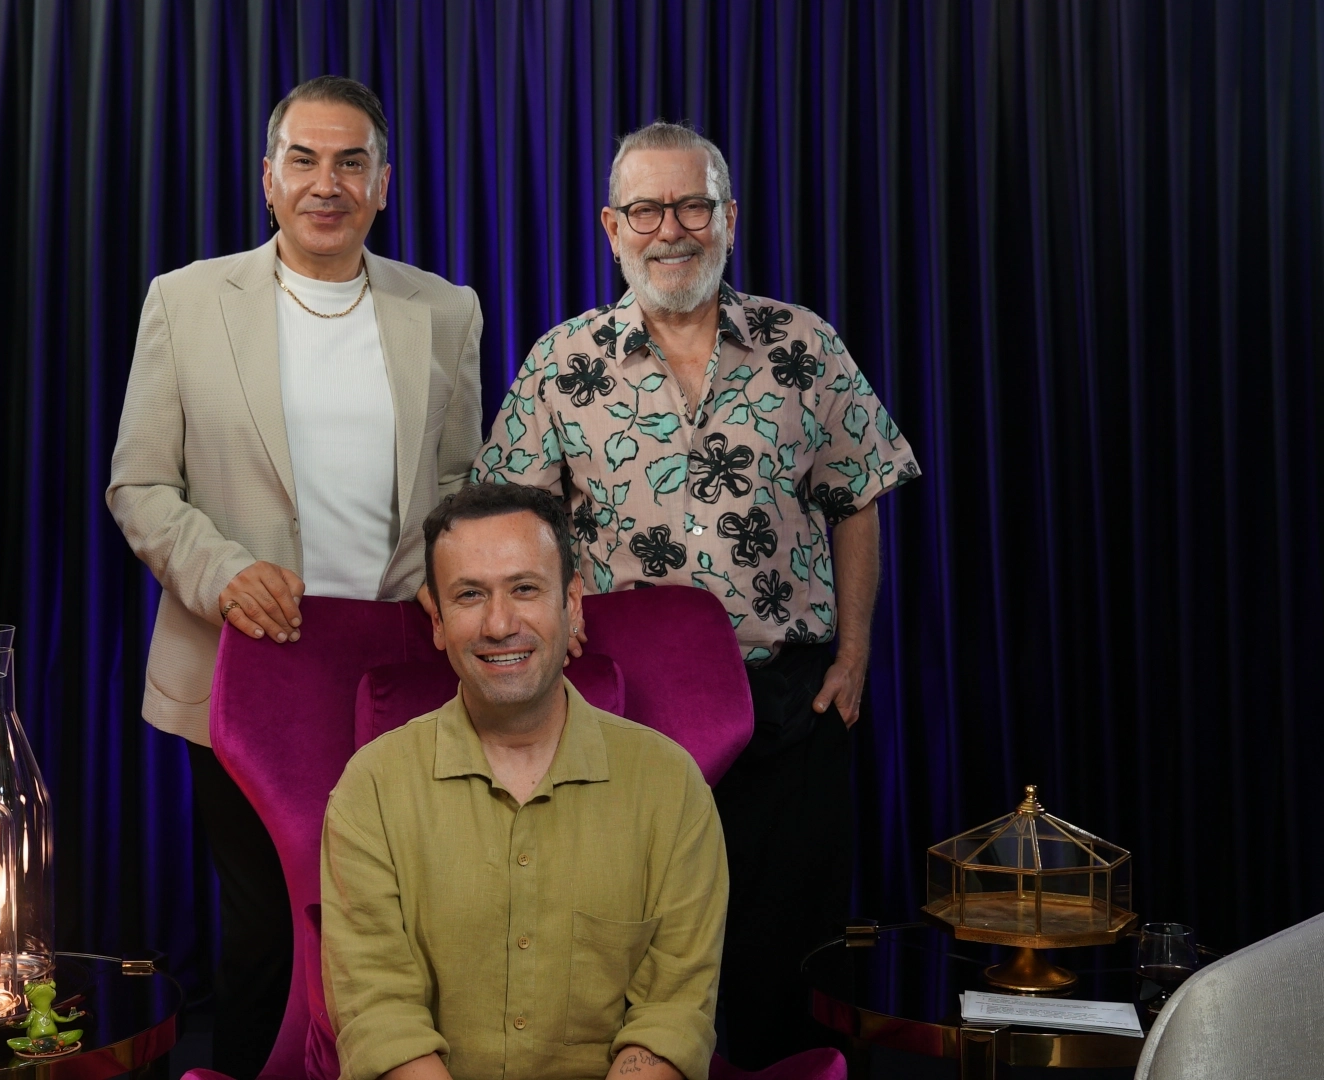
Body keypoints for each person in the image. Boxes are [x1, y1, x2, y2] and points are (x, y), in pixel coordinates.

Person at [471, 122, 920, 1065]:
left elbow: (858, 497)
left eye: (691, 206)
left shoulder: (804, 344)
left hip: (788, 705)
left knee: (782, 960)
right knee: (629, 953)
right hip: (625, 707)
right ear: (611, 227)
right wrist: (554, 606)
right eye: (645, 210)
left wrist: (853, 655)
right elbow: (508, 520)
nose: (669, 229)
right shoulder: (562, 361)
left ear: (729, 219)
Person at [106, 75, 482, 1076]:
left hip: (400, 671)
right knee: (269, 930)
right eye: (305, 160)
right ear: (268, 178)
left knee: (409, 921)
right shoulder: (185, 300)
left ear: (383, 184)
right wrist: (223, 572)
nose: (328, 183)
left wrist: (454, 583)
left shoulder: (446, 311)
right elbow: (139, 484)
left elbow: (459, 484)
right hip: (247, 668)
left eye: (352, 162)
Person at [321, 482, 728, 1080]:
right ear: (437, 621)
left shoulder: (671, 787)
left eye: (525, 589)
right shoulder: (372, 789)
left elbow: (673, 1015)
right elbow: (380, 1017)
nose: (499, 623)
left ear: (573, 603)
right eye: (469, 595)